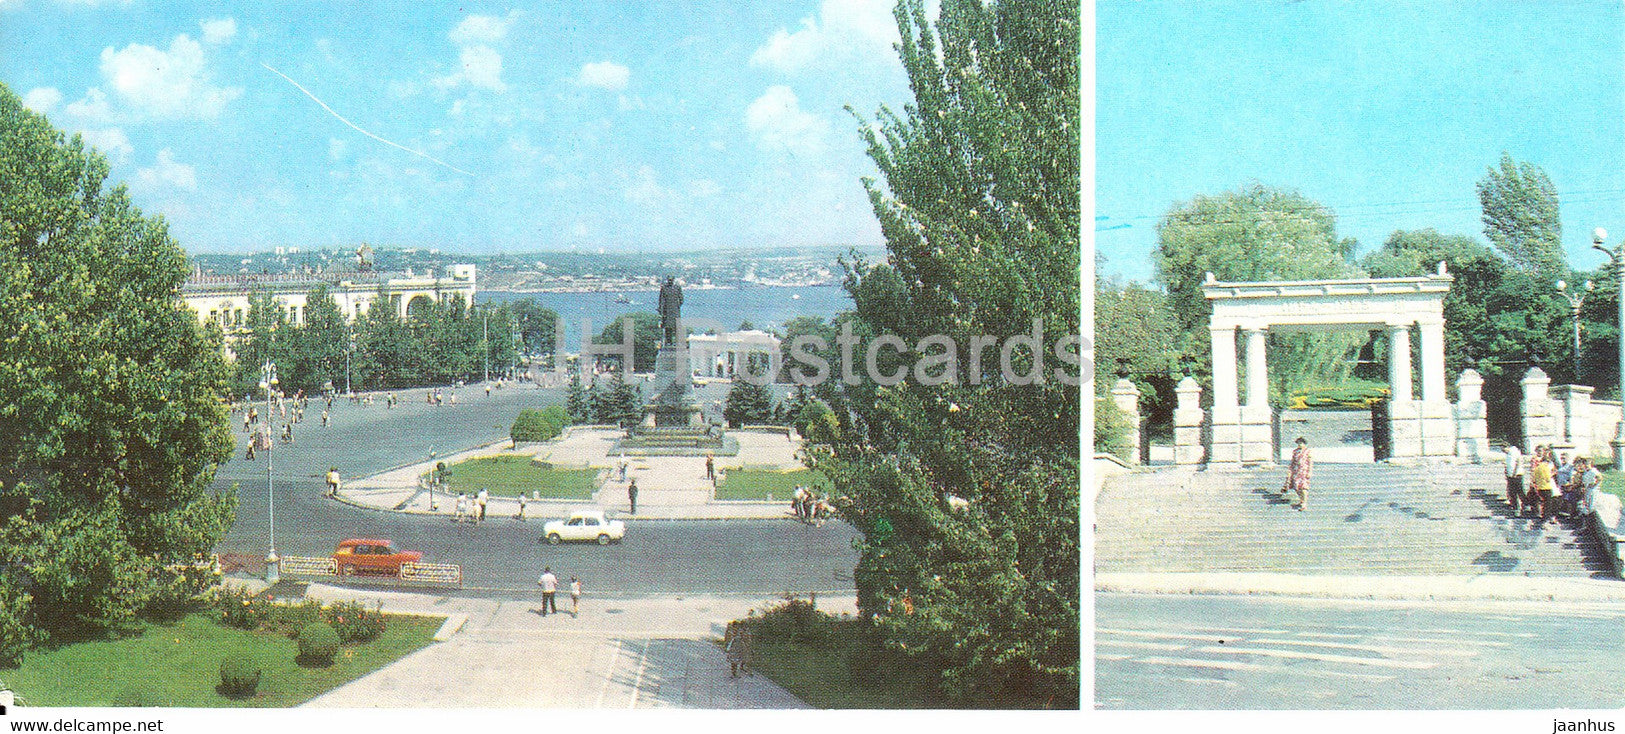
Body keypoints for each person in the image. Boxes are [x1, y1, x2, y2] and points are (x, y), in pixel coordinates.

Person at [1529, 446, 1557, 522]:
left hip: (1540, 486)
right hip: (1546, 486)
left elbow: (1534, 477)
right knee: (1547, 502)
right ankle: (1546, 516)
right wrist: (1552, 474)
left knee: (1542, 501)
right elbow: (1548, 478)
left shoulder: (1538, 467)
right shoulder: (1545, 467)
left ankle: (1542, 514)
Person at [1285, 437, 1312, 511]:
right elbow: (1293, 461)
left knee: (1303, 487)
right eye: (1298, 443)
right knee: (1296, 487)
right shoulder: (1295, 451)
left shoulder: (1308, 451)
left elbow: (1310, 462)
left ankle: (1304, 503)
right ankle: (1301, 500)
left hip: (1304, 471)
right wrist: (1290, 470)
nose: (1299, 444)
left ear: (1304, 443)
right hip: (1296, 471)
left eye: (1301, 443)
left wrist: (1309, 471)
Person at [1503, 443, 1525, 516]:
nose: (1504, 451)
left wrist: (1514, 473)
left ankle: (1525, 504)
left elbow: (1518, 462)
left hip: (1516, 475)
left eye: (1504, 449)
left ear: (1507, 447)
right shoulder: (1508, 454)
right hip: (1510, 475)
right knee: (1512, 492)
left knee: (1519, 491)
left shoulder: (1515, 451)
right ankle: (1515, 507)